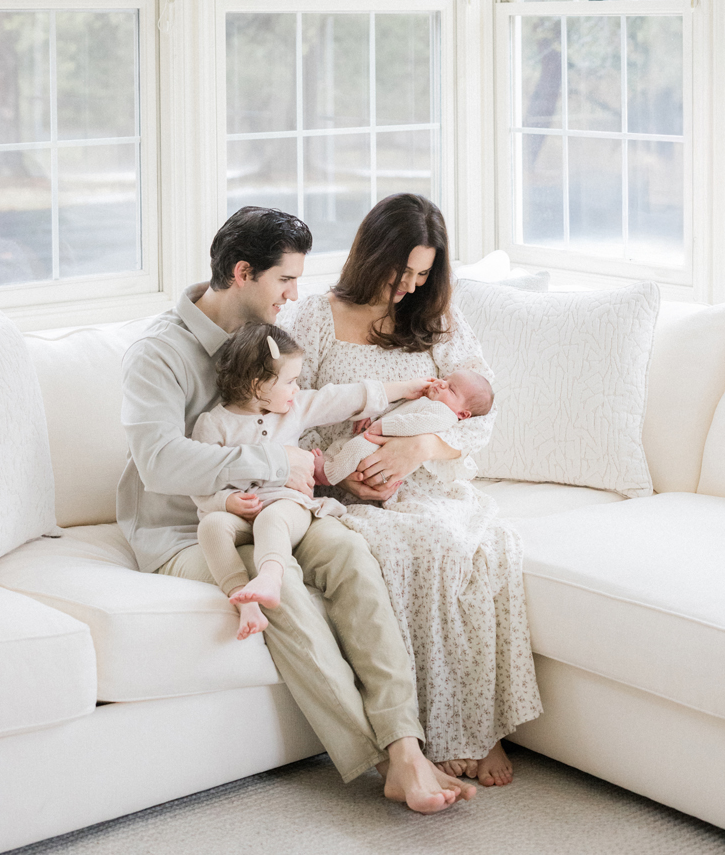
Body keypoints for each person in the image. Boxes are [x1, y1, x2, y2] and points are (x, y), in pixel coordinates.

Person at [117, 206, 474, 814]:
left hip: (274, 510)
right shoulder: (158, 354)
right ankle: (388, 760)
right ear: (242, 272)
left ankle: (406, 742)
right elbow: (159, 462)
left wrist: (394, 405)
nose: (296, 294)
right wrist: (272, 464)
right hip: (192, 530)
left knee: (353, 556)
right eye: (285, 280)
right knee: (285, 595)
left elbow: (318, 402)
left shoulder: (270, 345)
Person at [287, 193, 542, 788]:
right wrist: (338, 470)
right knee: (416, 547)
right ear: (369, 255)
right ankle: (429, 735)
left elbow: (480, 417)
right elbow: (282, 414)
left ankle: (481, 729)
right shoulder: (316, 318)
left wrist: (418, 448)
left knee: (486, 546)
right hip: (347, 485)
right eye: (400, 272)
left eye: (423, 274)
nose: (408, 286)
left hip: (429, 481)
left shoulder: (439, 320)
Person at [190, 319, 440, 638]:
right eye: (291, 381)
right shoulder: (214, 425)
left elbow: (344, 397)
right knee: (210, 527)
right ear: (257, 386)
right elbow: (200, 483)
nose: (298, 388)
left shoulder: (294, 409)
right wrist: (225, 501)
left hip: (288, 506)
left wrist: (406, 389)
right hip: (239, 517)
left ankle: (269, 576)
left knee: (273, 517)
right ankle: (245, 601)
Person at [316, 369, 493, 488]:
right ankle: (325, 463)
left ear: (463, 414)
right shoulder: (424, 400)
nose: (441, 383)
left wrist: (383, 425)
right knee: (343, 446)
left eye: (451, 389)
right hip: (374, 439)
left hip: (382, 448)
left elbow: (413, 423)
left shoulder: (445, 414)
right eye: (445, 379)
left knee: (355, 449)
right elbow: (395, 409)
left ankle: (326, 476)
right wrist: (371, 413)